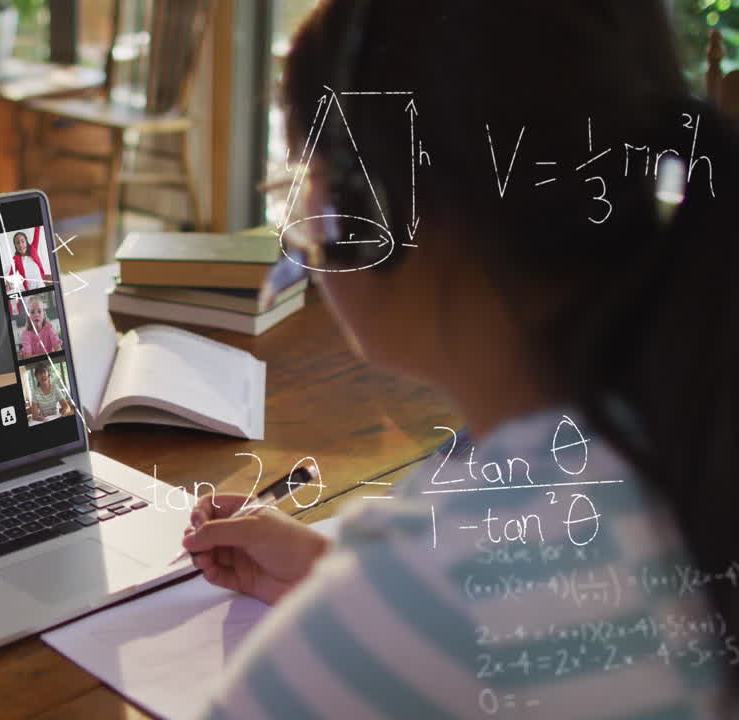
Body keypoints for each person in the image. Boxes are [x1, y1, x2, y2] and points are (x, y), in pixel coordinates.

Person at [182, 2, 737, 717]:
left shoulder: (447, 583)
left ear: (372, 207)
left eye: (304, 183)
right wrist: (347, 590)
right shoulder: (682, 432)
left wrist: (378, 609)